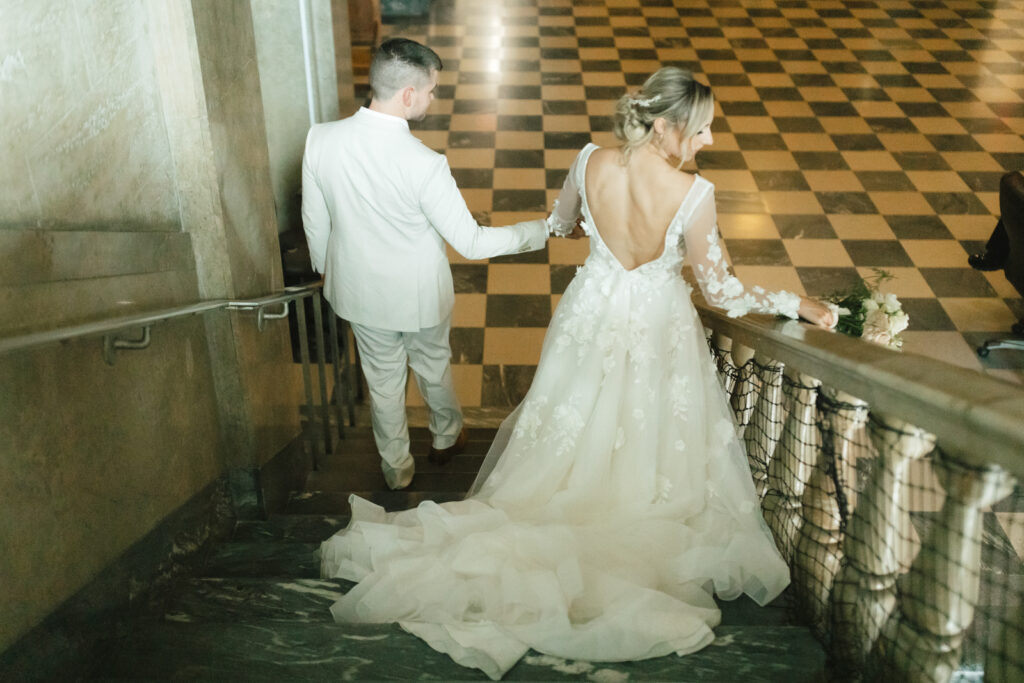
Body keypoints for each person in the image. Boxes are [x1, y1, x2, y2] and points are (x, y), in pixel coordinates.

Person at [319, 66, 836, 680]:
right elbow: (720, 291)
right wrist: (792, 303)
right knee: (638, 429)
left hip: (589, 314)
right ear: (668, 126)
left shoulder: (589, 160)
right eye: (701, 130)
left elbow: (562, 225)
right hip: (654, 324)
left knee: (575, 415)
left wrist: (589, 230)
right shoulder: (693, 195)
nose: (708, 142)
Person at [301, 38, 553, 490]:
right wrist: (541, 230)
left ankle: (396, 472)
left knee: (382, 383)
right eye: (433, 90)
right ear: (409, 95)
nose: (434, 98)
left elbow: (315, 225)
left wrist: (329, 271)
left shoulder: (321, 139)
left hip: (357, 293)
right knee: (433, 365)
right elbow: (471, 243)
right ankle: (445, 438)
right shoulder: (425, 165)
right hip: (418, 297)